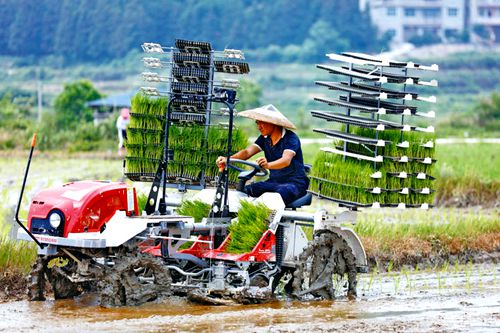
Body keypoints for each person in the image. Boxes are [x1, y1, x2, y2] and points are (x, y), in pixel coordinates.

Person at [216, 104, 309, 205]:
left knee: (276, 196)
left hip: (294, 184)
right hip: (274, 182)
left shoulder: (291, 138)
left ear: (273, 122)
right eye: (257, 123)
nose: (259, 127)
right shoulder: (264, 138)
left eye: (262, 123)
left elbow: (285, 160)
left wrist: (268, 165)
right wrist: (227, 159)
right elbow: (247, 152)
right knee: (244, 192)